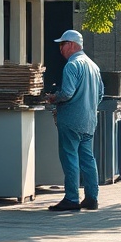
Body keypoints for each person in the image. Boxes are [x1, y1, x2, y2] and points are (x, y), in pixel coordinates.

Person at [46, 30, 104, 211]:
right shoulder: (93, 66)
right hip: (89, 120)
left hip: (70, 119)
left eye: (62, 44)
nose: (60, 49)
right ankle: (91, 198)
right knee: (88, 159)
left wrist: (54, 97)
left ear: (71, 45)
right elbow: (100, 94)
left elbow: (67, 93)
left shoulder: (72, 65)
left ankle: (71, 198)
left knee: (69, 157)